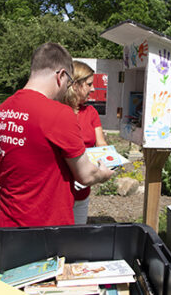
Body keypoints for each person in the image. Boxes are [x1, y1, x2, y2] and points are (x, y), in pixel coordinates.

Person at [0, 42, 113, 227]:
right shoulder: (59, 113)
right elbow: (86, 176)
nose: (67, 89)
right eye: (68, 83)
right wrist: (104, 174)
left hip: (5, 225)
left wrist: (22, 183)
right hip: (47, 229)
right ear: (61, 75)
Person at [62, 61, 108, 224]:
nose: (93, 89)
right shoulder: (57, 112)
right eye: (89, 84)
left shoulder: (91, 112)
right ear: (75, 85)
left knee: (76, 240)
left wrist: (110, 161)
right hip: (59, 194)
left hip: (82, 192)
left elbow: (101, 143)